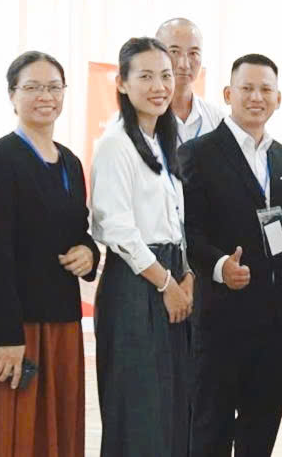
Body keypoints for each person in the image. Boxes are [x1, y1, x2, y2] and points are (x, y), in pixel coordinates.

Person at [0, 51, 99, 457]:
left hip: (61, 320)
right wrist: (6, 334)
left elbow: (79, 229)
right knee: (10, 433)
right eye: (33, 87)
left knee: (58, 429)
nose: (45, 96)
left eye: (54, 87)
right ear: (12, 95)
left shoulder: (70, 161)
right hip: (13, 325)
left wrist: (88, 253)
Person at [181, 53, 282, 456]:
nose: (257, 97)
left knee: (261, 429)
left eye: (266, 90)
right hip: (223, 319)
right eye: (247, 88)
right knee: (211, 429)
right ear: (228, 94)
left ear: (278, 98)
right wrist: (220, 266)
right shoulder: (198, 154)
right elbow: (189, 232)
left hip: (276, 323)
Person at [90, 37, 192, 457]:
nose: (159, 87)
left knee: (175, 405)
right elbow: (118, 229)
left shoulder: (164, 140)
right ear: (122, 83)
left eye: (165, 76)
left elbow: (179, 219)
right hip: (137, 285)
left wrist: (187, 275)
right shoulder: (115, 144)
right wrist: (167, 283)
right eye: (146, 76)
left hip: (172, 275)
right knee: (139, 410)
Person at [155, 18, 224, 145]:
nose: (184, 64)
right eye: (174, 52)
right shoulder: (144, 119)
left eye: (193, 53)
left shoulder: (217, 119)